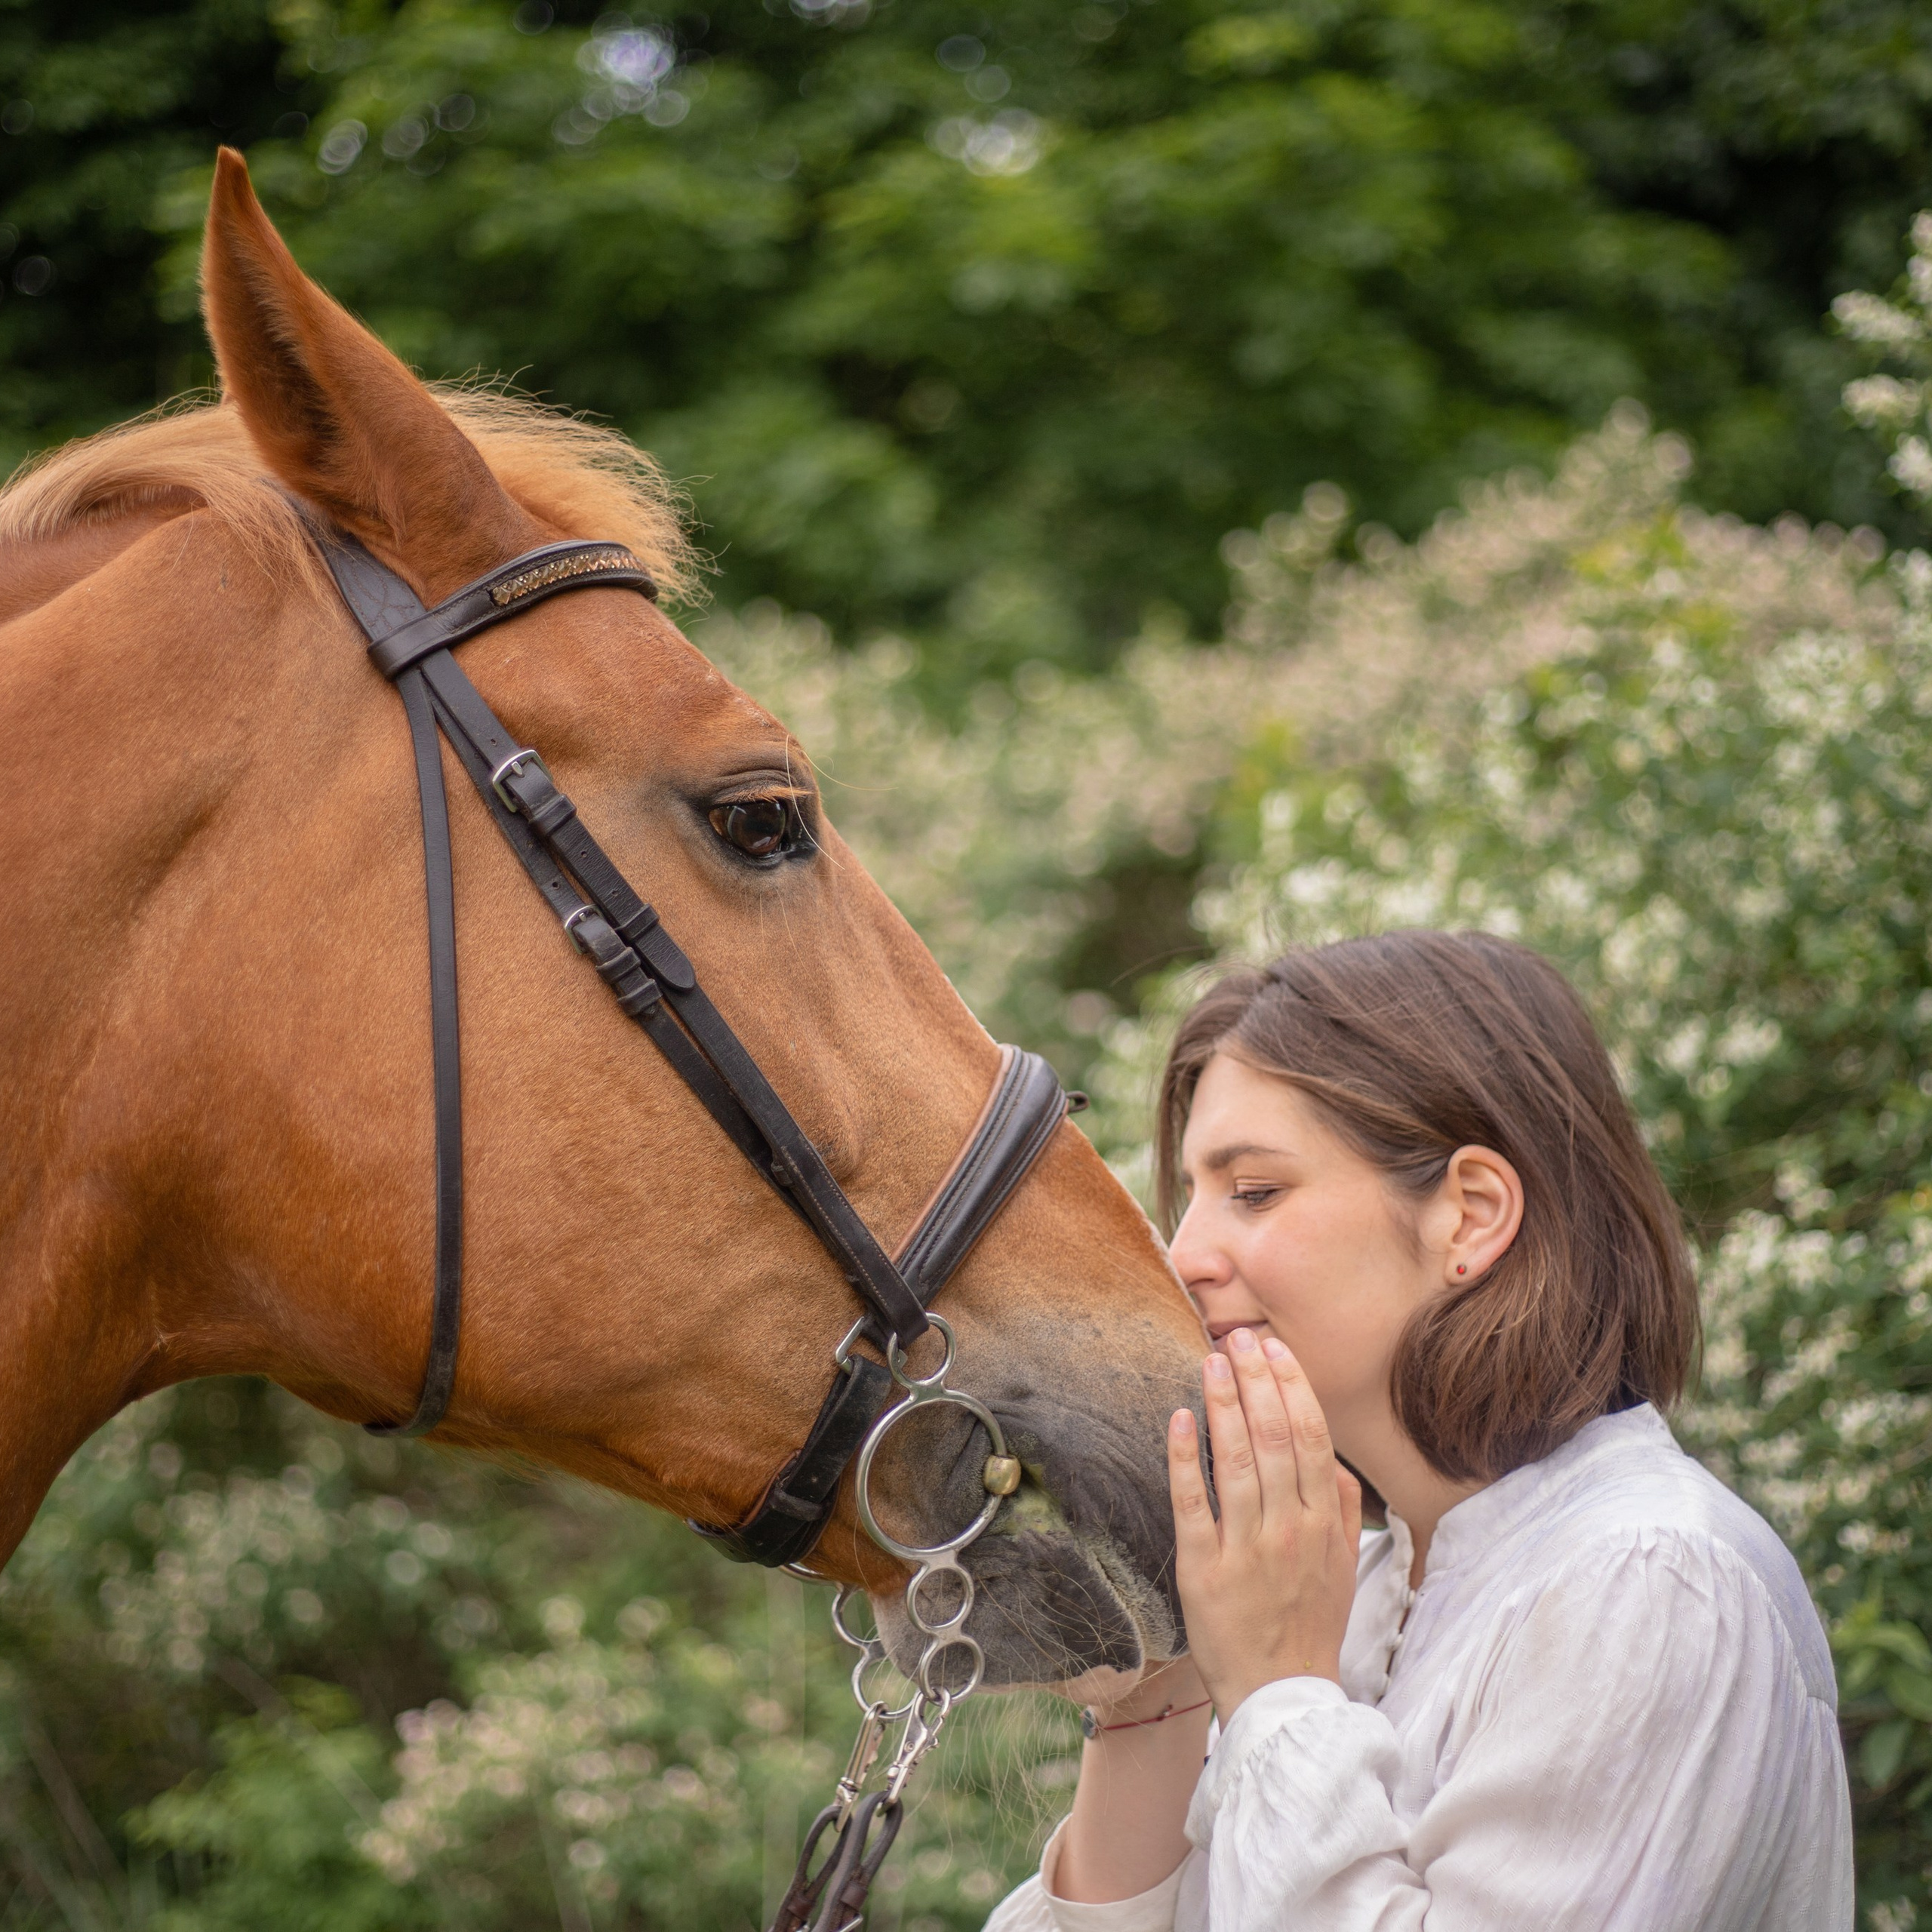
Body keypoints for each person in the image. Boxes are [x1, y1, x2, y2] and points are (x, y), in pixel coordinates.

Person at [988, 931, 1852, 1931]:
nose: (1184, 1257)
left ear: (1471, 1215)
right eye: (1190, 1200)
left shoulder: (1655, 1583)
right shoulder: (1351, 1593)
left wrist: (1276, 1691)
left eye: (1255, 1192)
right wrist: (1158, 1697)